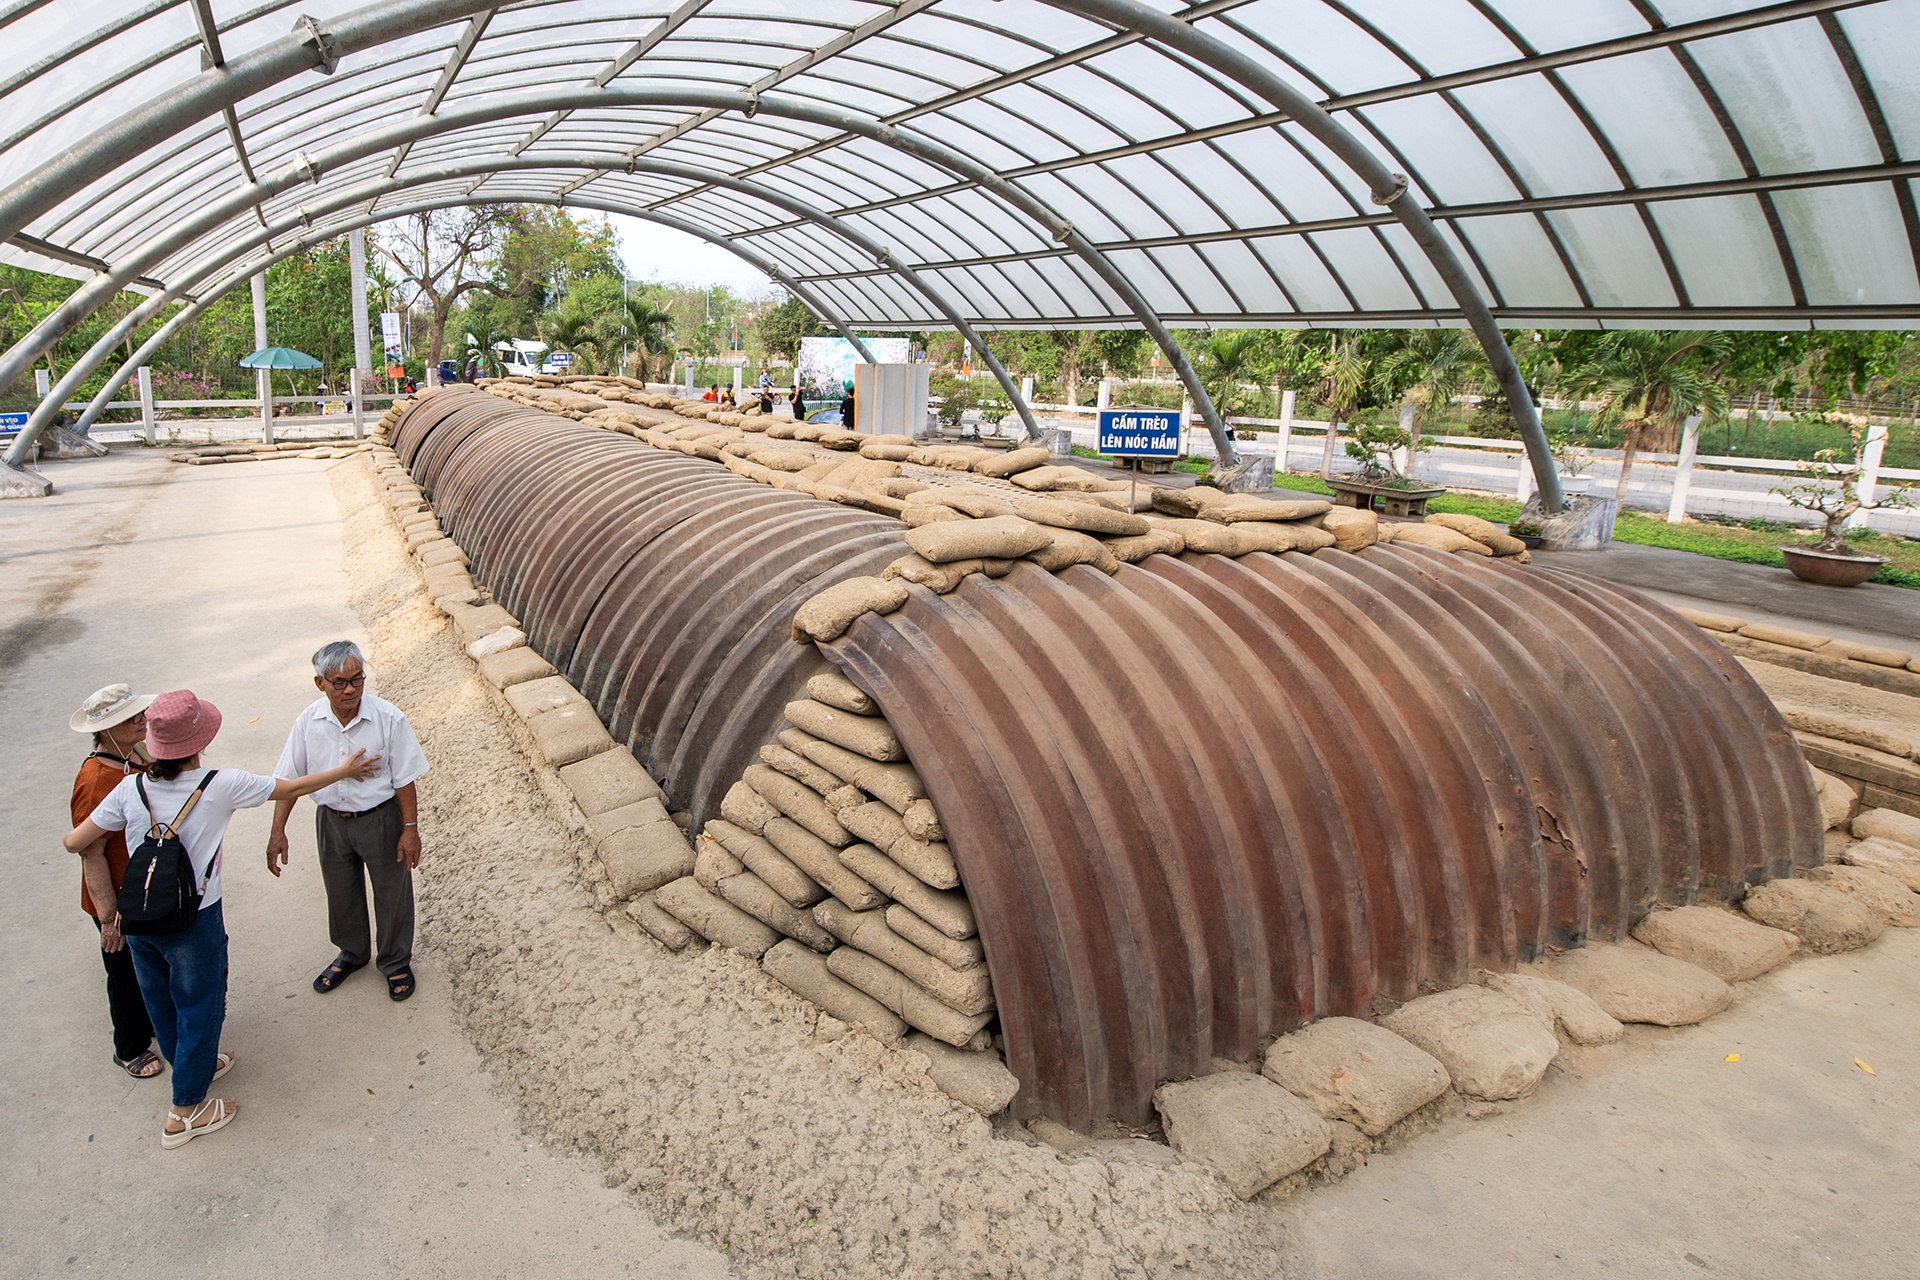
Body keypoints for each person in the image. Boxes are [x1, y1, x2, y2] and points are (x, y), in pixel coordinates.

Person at [64, 689, 380, 1148]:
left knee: (163, 1002)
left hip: (140, 922)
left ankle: (192, 1068)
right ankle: (184, 1112)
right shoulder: (219, 784)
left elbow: (76, 842)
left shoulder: (129, 788)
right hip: (192, 920)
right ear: (198, 743)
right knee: (201, 1005)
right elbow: (289, 787)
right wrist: (347, 770)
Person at [267, 641, 429, 1003]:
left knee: (393, 892)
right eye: (339, 682)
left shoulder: (388, 718)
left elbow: (405, 778)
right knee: (340, 891)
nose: (350, 689)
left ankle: (395, 960)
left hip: (381, 820)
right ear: (319, 683)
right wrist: (278, 831)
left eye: (357, 679)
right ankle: (352, 953)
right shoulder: (308, 722)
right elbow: (289, 781)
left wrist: (409, 829)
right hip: (331, 822)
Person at [67, 684, 160, 1080]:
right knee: (122, 971)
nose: (143, 720)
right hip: (118, 900)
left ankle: (151, 1023)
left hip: (143, 890)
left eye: (140, 713)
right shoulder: (94, 781)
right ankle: (130, 1047)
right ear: (106, 729)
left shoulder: (133, 754)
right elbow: (90, 852)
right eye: (132, 718)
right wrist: (109, 919)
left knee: (148, 964)